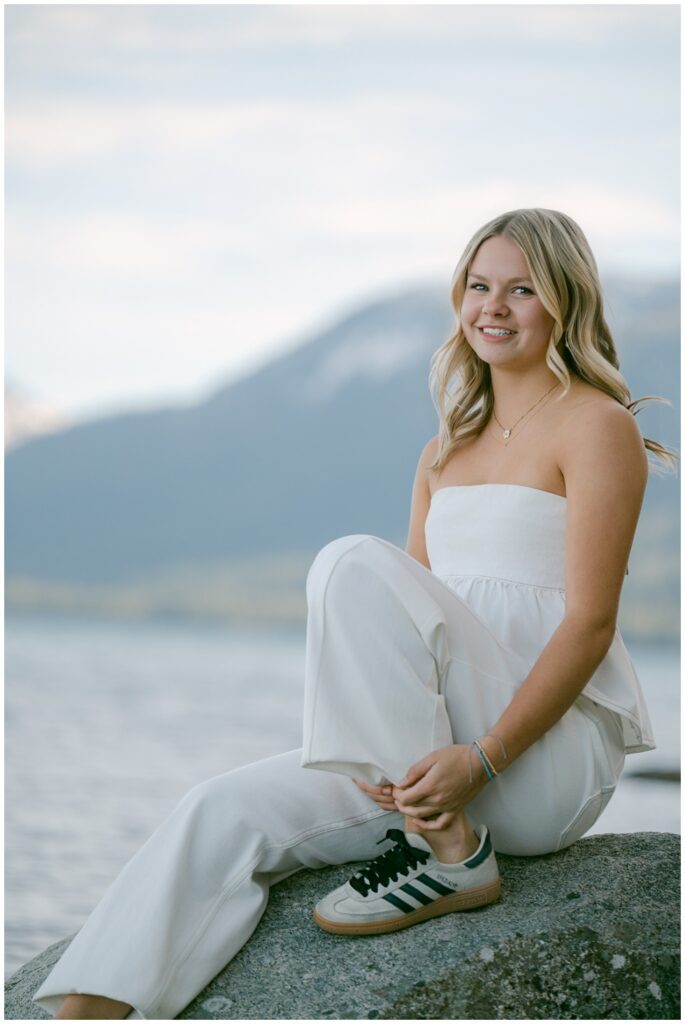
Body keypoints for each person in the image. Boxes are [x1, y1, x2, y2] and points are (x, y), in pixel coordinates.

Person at [34, 208, 676, 1019]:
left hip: (538, 765)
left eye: (522, 289)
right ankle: (89, 1013)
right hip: (436, 769)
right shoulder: (444, 449)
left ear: (564, 300)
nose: (493, 307)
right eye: (479, 287)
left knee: (349, 560)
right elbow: (403, 626)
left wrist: (479, 760)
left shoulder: (597, 427)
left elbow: (588, 624)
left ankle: (451, 857)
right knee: (219, 810)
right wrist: (391, 745)